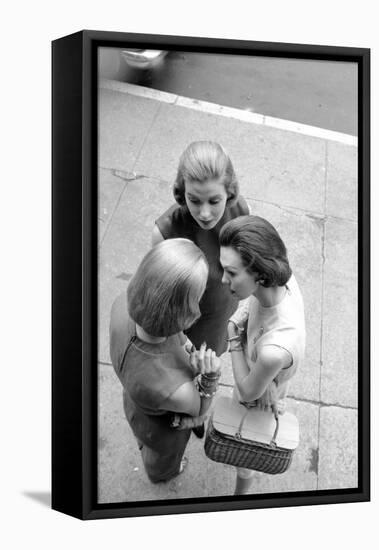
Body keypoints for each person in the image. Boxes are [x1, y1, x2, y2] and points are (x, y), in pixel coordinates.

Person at [109, 238, 222, 483]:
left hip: (135, 401)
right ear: (184, 312)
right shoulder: (174, 390)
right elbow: (200, 408)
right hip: (161, 429)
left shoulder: (122, 304)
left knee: (143, 438)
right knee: (161, 458)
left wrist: (185, 344)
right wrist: (211, 377)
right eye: (198, 296)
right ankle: (163, 473)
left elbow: (169, 328)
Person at [219, 215, 306, 495]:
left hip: (258, 397)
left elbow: (246, 391)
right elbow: (253, 304)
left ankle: (238, 502)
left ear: (260, 275)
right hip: (266, 378)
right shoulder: (283, 279)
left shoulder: (274, 349)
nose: (223, 279)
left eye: (231, 273)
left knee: (246, 455)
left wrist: (233, 337)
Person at [152, 141, 250, 356]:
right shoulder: (166, 233)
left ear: (230, 193)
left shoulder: (242, 211)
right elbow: (161, 303)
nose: (205, 213)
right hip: (184, 337)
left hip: (223, 320)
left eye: (214, 201)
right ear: (181, 192)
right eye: (194, 200)